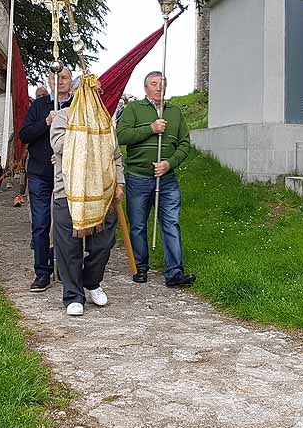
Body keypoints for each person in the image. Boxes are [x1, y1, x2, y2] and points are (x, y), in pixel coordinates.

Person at [50, 81, 124, 317]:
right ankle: (73, 295)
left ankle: (92, 282)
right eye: (87, 92)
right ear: (75, 94)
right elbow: (59, 145)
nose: (93, 96)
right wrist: (86, 130)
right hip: (69, 193)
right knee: (69, 248)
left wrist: (120, 183)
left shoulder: (106, 120)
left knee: (103, 244)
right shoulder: (62, 117)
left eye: (97, 92)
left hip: (103, 193)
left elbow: (116, 155)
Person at [116, 71, 196, 287]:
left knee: (171, 223)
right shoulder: (133, 109)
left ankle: (174, 272)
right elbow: (121, 136)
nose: (159, 88)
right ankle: (140, 268)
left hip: (167, 179)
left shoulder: (175, 112)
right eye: (154, 84)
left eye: (162, 84)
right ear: (146, 88)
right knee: (138, 225)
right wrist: (151, 128)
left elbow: (184, 144)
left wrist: (169, 163)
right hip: (138, 177)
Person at [19, 67, 73, 293]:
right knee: (41, 223)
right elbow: (24, 135)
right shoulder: (39, 106)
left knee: (68, 224)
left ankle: (66, 269)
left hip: (68, 174)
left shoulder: (77, 106)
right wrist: (45, 122)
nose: (59, 81)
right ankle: (42, 271)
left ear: (71, 81)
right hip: (40, 173)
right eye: (55, 77)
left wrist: (63, 154)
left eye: (64, 78)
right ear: (49, 81)